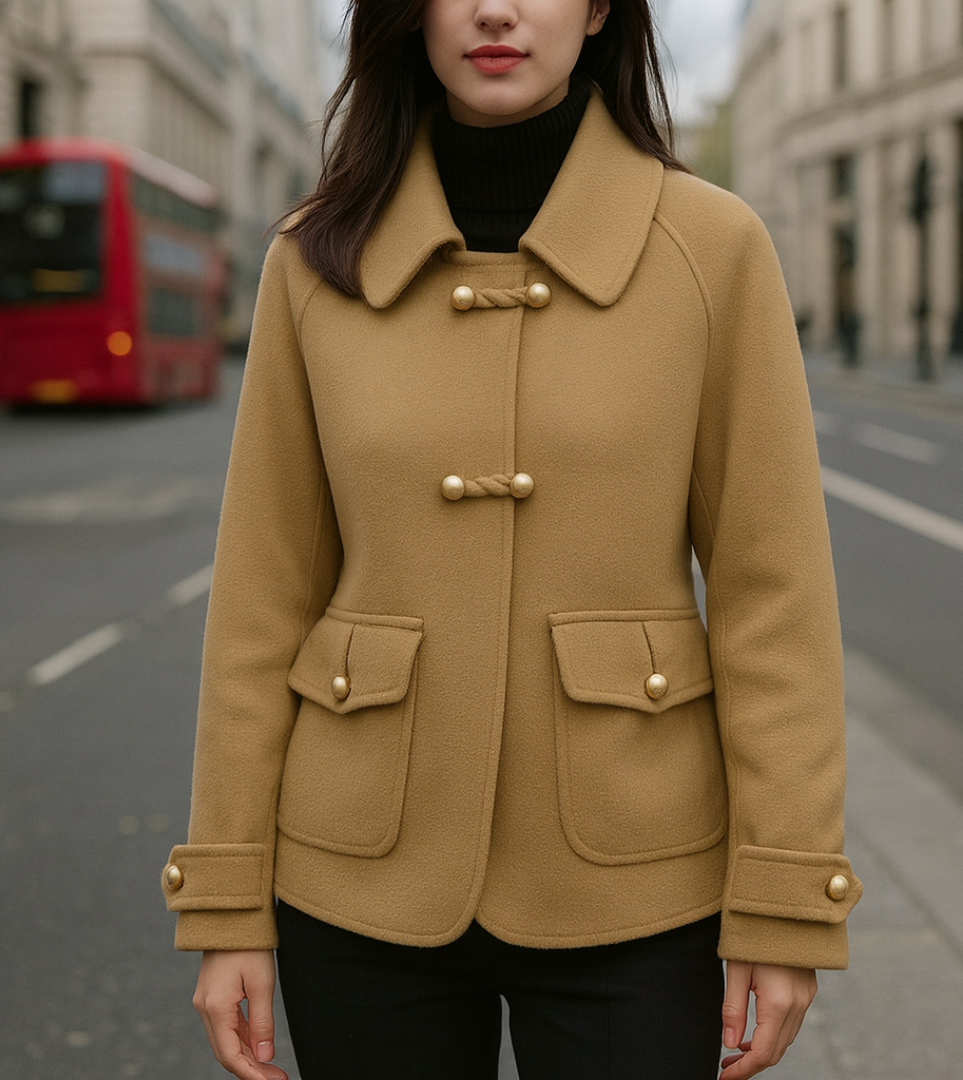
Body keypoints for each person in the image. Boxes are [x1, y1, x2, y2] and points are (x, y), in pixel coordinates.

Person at [162, 2, 862, 1078]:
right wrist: (226, 899)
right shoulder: (315, 257)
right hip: (356, 875)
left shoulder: (713, 249)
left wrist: (785, 898)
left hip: (638, 874)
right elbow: (262, 599)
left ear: (598, 10)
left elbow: (774, 600)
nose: (494, 9)